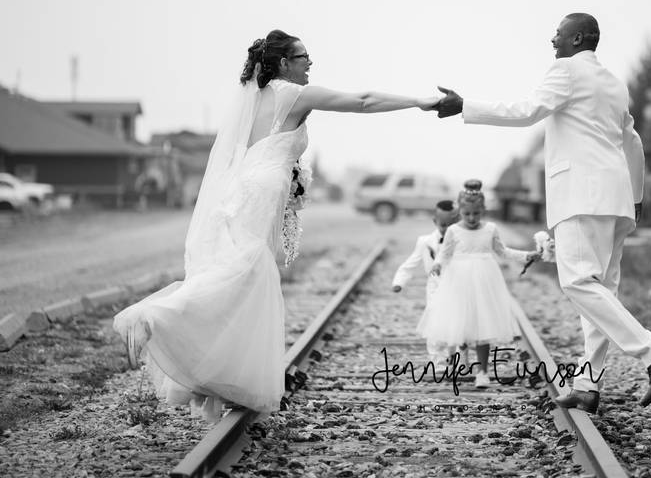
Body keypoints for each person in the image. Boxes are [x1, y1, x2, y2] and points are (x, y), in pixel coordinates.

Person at [114, 29, 437, 422]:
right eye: (303, 58)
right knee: (246, 271)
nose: (310, 65)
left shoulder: (256, 99)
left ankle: (220, 373)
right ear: (283, 63)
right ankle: (154, 317)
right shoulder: (293, 94)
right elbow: (364, 101)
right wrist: (421, 101)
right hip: (263, 187)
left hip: (240, 189)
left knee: (235, 270)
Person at [432, 13, 651, 413]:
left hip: (581, 198)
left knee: (578, 285)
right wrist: (635, 196)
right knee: (600, 293)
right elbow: (632, 142)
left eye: (559, 34)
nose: (552, 41)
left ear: (578, 38)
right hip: (617, 201)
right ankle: (587, 386)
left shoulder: (566, 70)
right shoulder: (614, 84)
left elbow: (529, 110)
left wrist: (467, 105)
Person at [416, 180, 537, 389]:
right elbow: (445, 254)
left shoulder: (490, 229)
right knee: (459, 324)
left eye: (476, 213)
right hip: (459, 279)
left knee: (483, 326)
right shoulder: (454, 230)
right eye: (467, 214)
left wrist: (526, 255)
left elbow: (503, 251)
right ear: (460, 212)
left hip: (484, 279)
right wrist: (436, 265)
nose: (472, 218)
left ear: (483, 211)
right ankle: (460, 363)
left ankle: (482, 372)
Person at [391, 199, 460, 361]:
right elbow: (410, 264)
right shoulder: (424, 241)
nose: (447, 230)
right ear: (435, 221)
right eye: (443, 225)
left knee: (456, 321)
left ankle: (454, 355)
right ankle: (437, 358)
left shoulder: (460, 241)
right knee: (435, 320)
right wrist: (399, 282)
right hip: (435, 286)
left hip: (457, 285)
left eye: (450, 226)